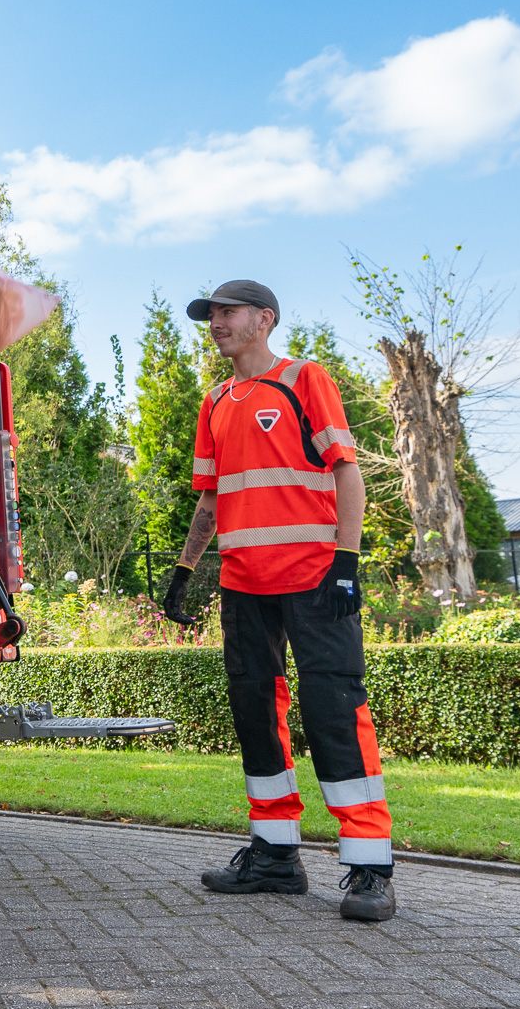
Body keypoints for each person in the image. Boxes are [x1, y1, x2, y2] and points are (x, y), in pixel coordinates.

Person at [160, 279, 396, 922]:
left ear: (264, 319)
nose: (216, 323)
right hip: (243, 584)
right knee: (254, 715)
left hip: (316, 576)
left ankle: (370, 866)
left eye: (227, 312)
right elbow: (210, 500)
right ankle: (274, 856)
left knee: (334, 710)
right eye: (210, 314)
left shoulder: (303, 380)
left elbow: (347, 471)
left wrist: (348, 560)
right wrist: (184, 572)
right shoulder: (213, 402)